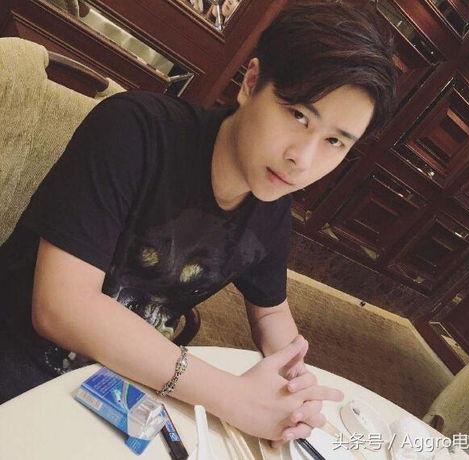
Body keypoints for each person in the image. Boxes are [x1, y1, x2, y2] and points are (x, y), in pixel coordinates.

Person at [0, 0, 397, 445]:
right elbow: (61, 307)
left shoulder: (271, 205)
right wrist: (234, 397)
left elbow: (270, 308)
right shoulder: (135, 130)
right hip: (17, 358)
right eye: (298, 115)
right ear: (251, 83)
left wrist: (291, 376)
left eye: (335, 142)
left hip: (124, 385)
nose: (302, 160)